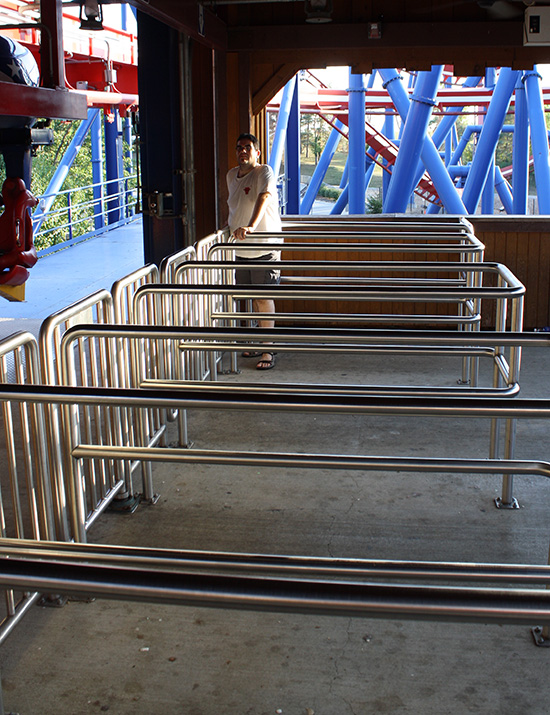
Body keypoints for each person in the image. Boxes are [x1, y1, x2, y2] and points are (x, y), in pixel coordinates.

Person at [227, 132, 283, 370]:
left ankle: (268, 348)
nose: (243, 151)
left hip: (264, 245)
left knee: (263, 297)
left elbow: (264, 196)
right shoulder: (231, 175)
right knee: (248, 296)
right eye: (239, 147)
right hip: (241, 247)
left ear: (257, 152)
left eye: (248, 147)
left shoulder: (264, 172)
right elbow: (235, 204)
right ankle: (253, 340)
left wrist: (251, 225)